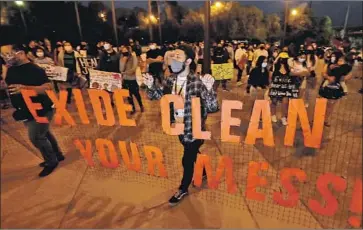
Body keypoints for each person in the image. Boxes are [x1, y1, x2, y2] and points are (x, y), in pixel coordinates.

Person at [144, 45, 208, 206]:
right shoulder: (171, 79)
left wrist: (197, 123)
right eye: (173, 57)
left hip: (194, 128)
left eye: (177, 57)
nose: (173, 60)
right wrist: (151, 85)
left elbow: (210, 106)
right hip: (178, 126)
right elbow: (158, 96)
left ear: (187, 61)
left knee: (187, 158)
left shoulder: (197, 82)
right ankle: (204, 169)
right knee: (192, 152)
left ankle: (183, 188)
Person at [1, 44, 64, 177]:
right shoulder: (11, 69)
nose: (6, 57)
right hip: (25, 110)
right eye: (3, 55)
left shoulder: (35, 69)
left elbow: (47, 88)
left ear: (20, 53)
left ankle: (51, 161)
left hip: (41, 109)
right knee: (44, 133)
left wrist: (26, 89)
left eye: (8, 54)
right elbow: (8, 85)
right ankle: (57, 155)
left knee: (36, 137)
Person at [319, 53, 352, 126]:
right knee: (322, 103)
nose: (333, 58)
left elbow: (348, 76)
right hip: (326, 87)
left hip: (336, 88)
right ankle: (318, 118)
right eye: (332, 56)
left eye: (335, 56)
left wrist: (340, 78)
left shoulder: (346, 67)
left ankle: (325, 120)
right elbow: (323, 73)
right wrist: (329, 78)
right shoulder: (329, 64)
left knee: (331, 105)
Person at [269, 56, 299, 126]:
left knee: (285, 103)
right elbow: (270, 78)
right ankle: (273, 115)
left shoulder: (289, 69)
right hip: (276, 88)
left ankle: (283, 117)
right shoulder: (274, 68)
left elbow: (293, 78)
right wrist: (270, 86)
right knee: (274, 102)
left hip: (285, 89)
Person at [120, 46, 144, 114]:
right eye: (123, 51)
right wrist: (124, 60)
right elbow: (121, 69)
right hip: (125, 80)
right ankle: (132, 108)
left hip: (132, 79)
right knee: (128, 95)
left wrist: (124, 72)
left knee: (136, 94)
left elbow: (133, 70)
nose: (124, 52)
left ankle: (141, 105)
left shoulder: (134, 58)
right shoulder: (122, 58)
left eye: (126, 51)